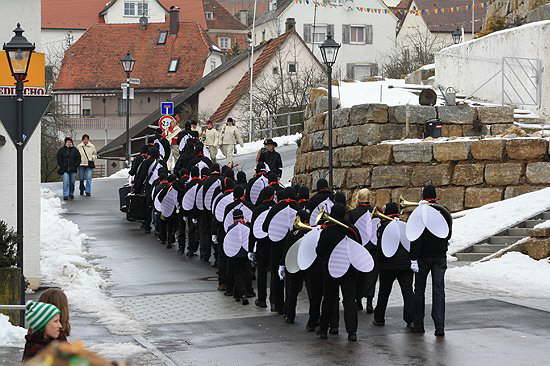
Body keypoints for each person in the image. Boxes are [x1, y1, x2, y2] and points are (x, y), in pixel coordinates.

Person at [410, 185, 453, 337]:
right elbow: (448, 234)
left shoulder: (419, 213)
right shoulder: (444, 211)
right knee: (439, 291)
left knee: (419, 290)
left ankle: (418, 324)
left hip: (422, 257)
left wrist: (413, 258)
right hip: (440, 256)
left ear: (422, 197)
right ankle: (439, 326)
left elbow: (414, 236)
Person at [316, 203, 360, 342]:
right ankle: (352, 332)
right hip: (349, 270)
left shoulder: (327, 231)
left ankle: (325, 329)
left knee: (329, 299)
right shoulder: (352, 230)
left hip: (331, 269)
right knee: (349, 300)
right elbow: (359, 247)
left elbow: (319, 251)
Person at [373, 202, 414, 328]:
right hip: (405, 265)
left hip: (387, 266)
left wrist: (379, 264)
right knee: (407, 292)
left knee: (384, 292)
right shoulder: (405, 226)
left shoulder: (383, 228)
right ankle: (411, 319)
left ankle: (379, 318)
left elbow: (380, 248)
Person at [348, 188, 378, 313]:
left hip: (358, 248)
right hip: (373, 248)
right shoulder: (376, 212)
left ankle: (358, 301)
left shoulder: (352, 213)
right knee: (372, 275)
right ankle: (370, 302)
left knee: (358, 275)